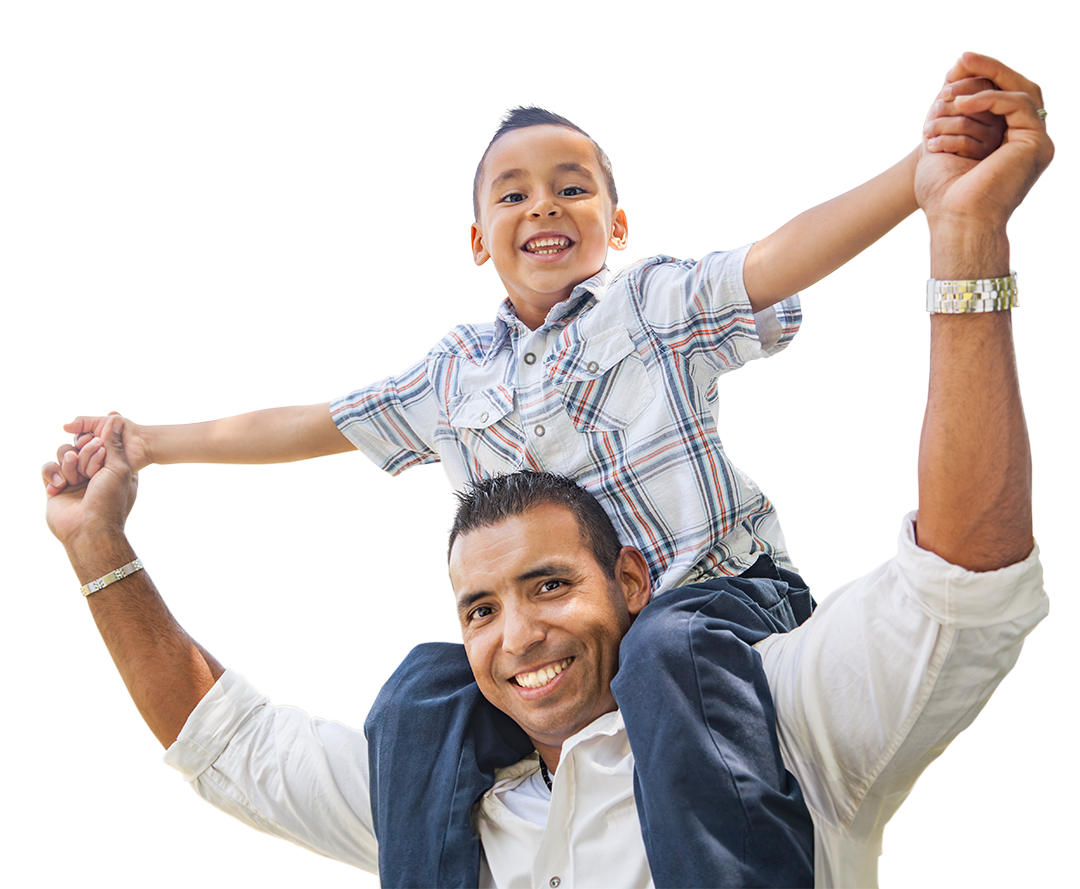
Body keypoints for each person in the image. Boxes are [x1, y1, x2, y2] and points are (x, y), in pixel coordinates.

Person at [43, 52, 1054, 887]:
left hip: (716, 611)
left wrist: (924, 189)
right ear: (483, 242)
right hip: (624, 648)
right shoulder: (456, 373)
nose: (547, 205)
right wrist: (150, 444)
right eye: (515, 192)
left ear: (616, 228)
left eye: (574, 187)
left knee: (663, 651)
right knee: (419, 692)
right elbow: (314, 429)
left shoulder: (649, 305)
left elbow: (782, 256)